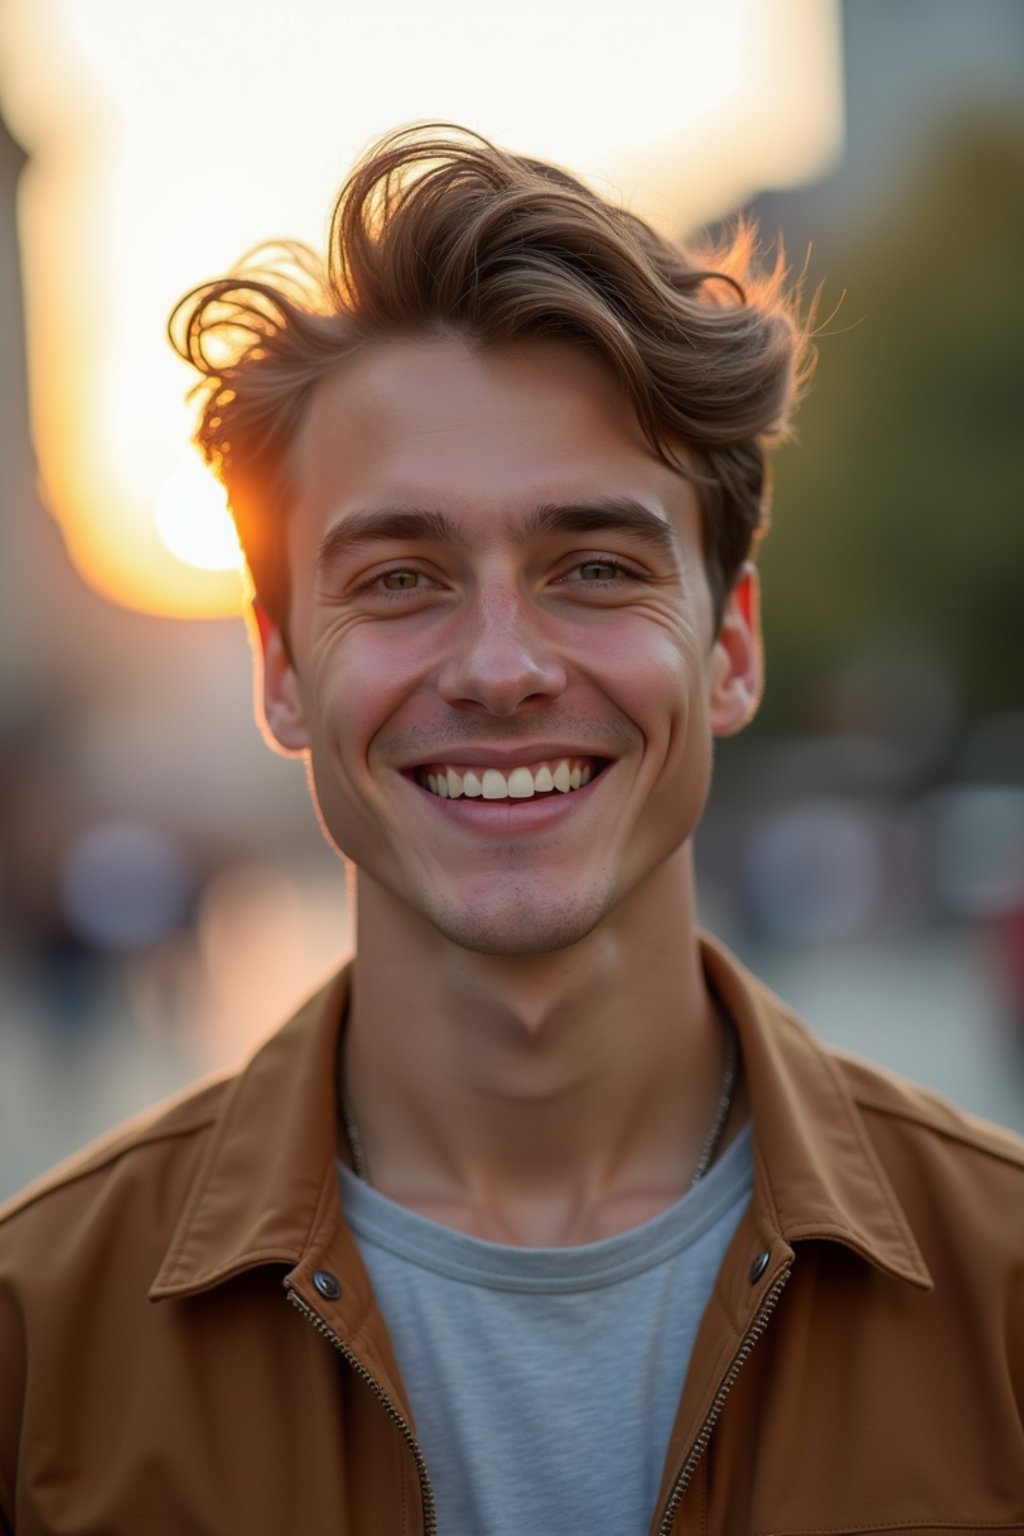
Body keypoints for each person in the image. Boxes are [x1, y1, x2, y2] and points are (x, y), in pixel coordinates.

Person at [1, 124, 1022, 1536]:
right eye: (403, 575)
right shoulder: (37, 1345)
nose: (500, 667)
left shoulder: (1006, 1296)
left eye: (594, 566)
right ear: (281, 670)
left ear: (729, 647)